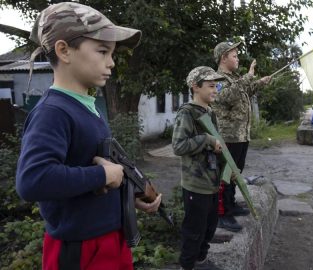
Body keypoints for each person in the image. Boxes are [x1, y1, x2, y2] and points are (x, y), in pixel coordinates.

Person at [15, 2, 161, 269]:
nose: (112, 62)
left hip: (109, 240)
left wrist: (129, 197)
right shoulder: (53, 112)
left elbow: (85, 173)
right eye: (103, 51)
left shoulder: (84, 106)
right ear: (64, 50)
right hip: (81, 250)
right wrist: (104, 175)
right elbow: (32, 180)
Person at [212, 41, 271, 232]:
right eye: (234, 55)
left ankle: (230, 204)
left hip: (240, 134)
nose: (237, 59)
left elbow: (243, 91)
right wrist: (248, 77)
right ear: (223, 58)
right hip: (228, 135)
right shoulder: (217, 79)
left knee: (235, 173)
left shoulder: (234, 79)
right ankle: (222, 214)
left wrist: (259, 83)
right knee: (225, 175)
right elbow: (226, 96)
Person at [172, 66, 225, 270]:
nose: (215, 90)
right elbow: (178, 146)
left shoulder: (209, 112)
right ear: (195, 87)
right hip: (196, 184)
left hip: (211, 182)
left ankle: (201, 260)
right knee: (194, 231)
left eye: (216, 86)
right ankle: (186, 266)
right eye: (211, 86)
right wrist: (207, 139)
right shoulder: (187, 113)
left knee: (209, 228)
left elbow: (217, 144)